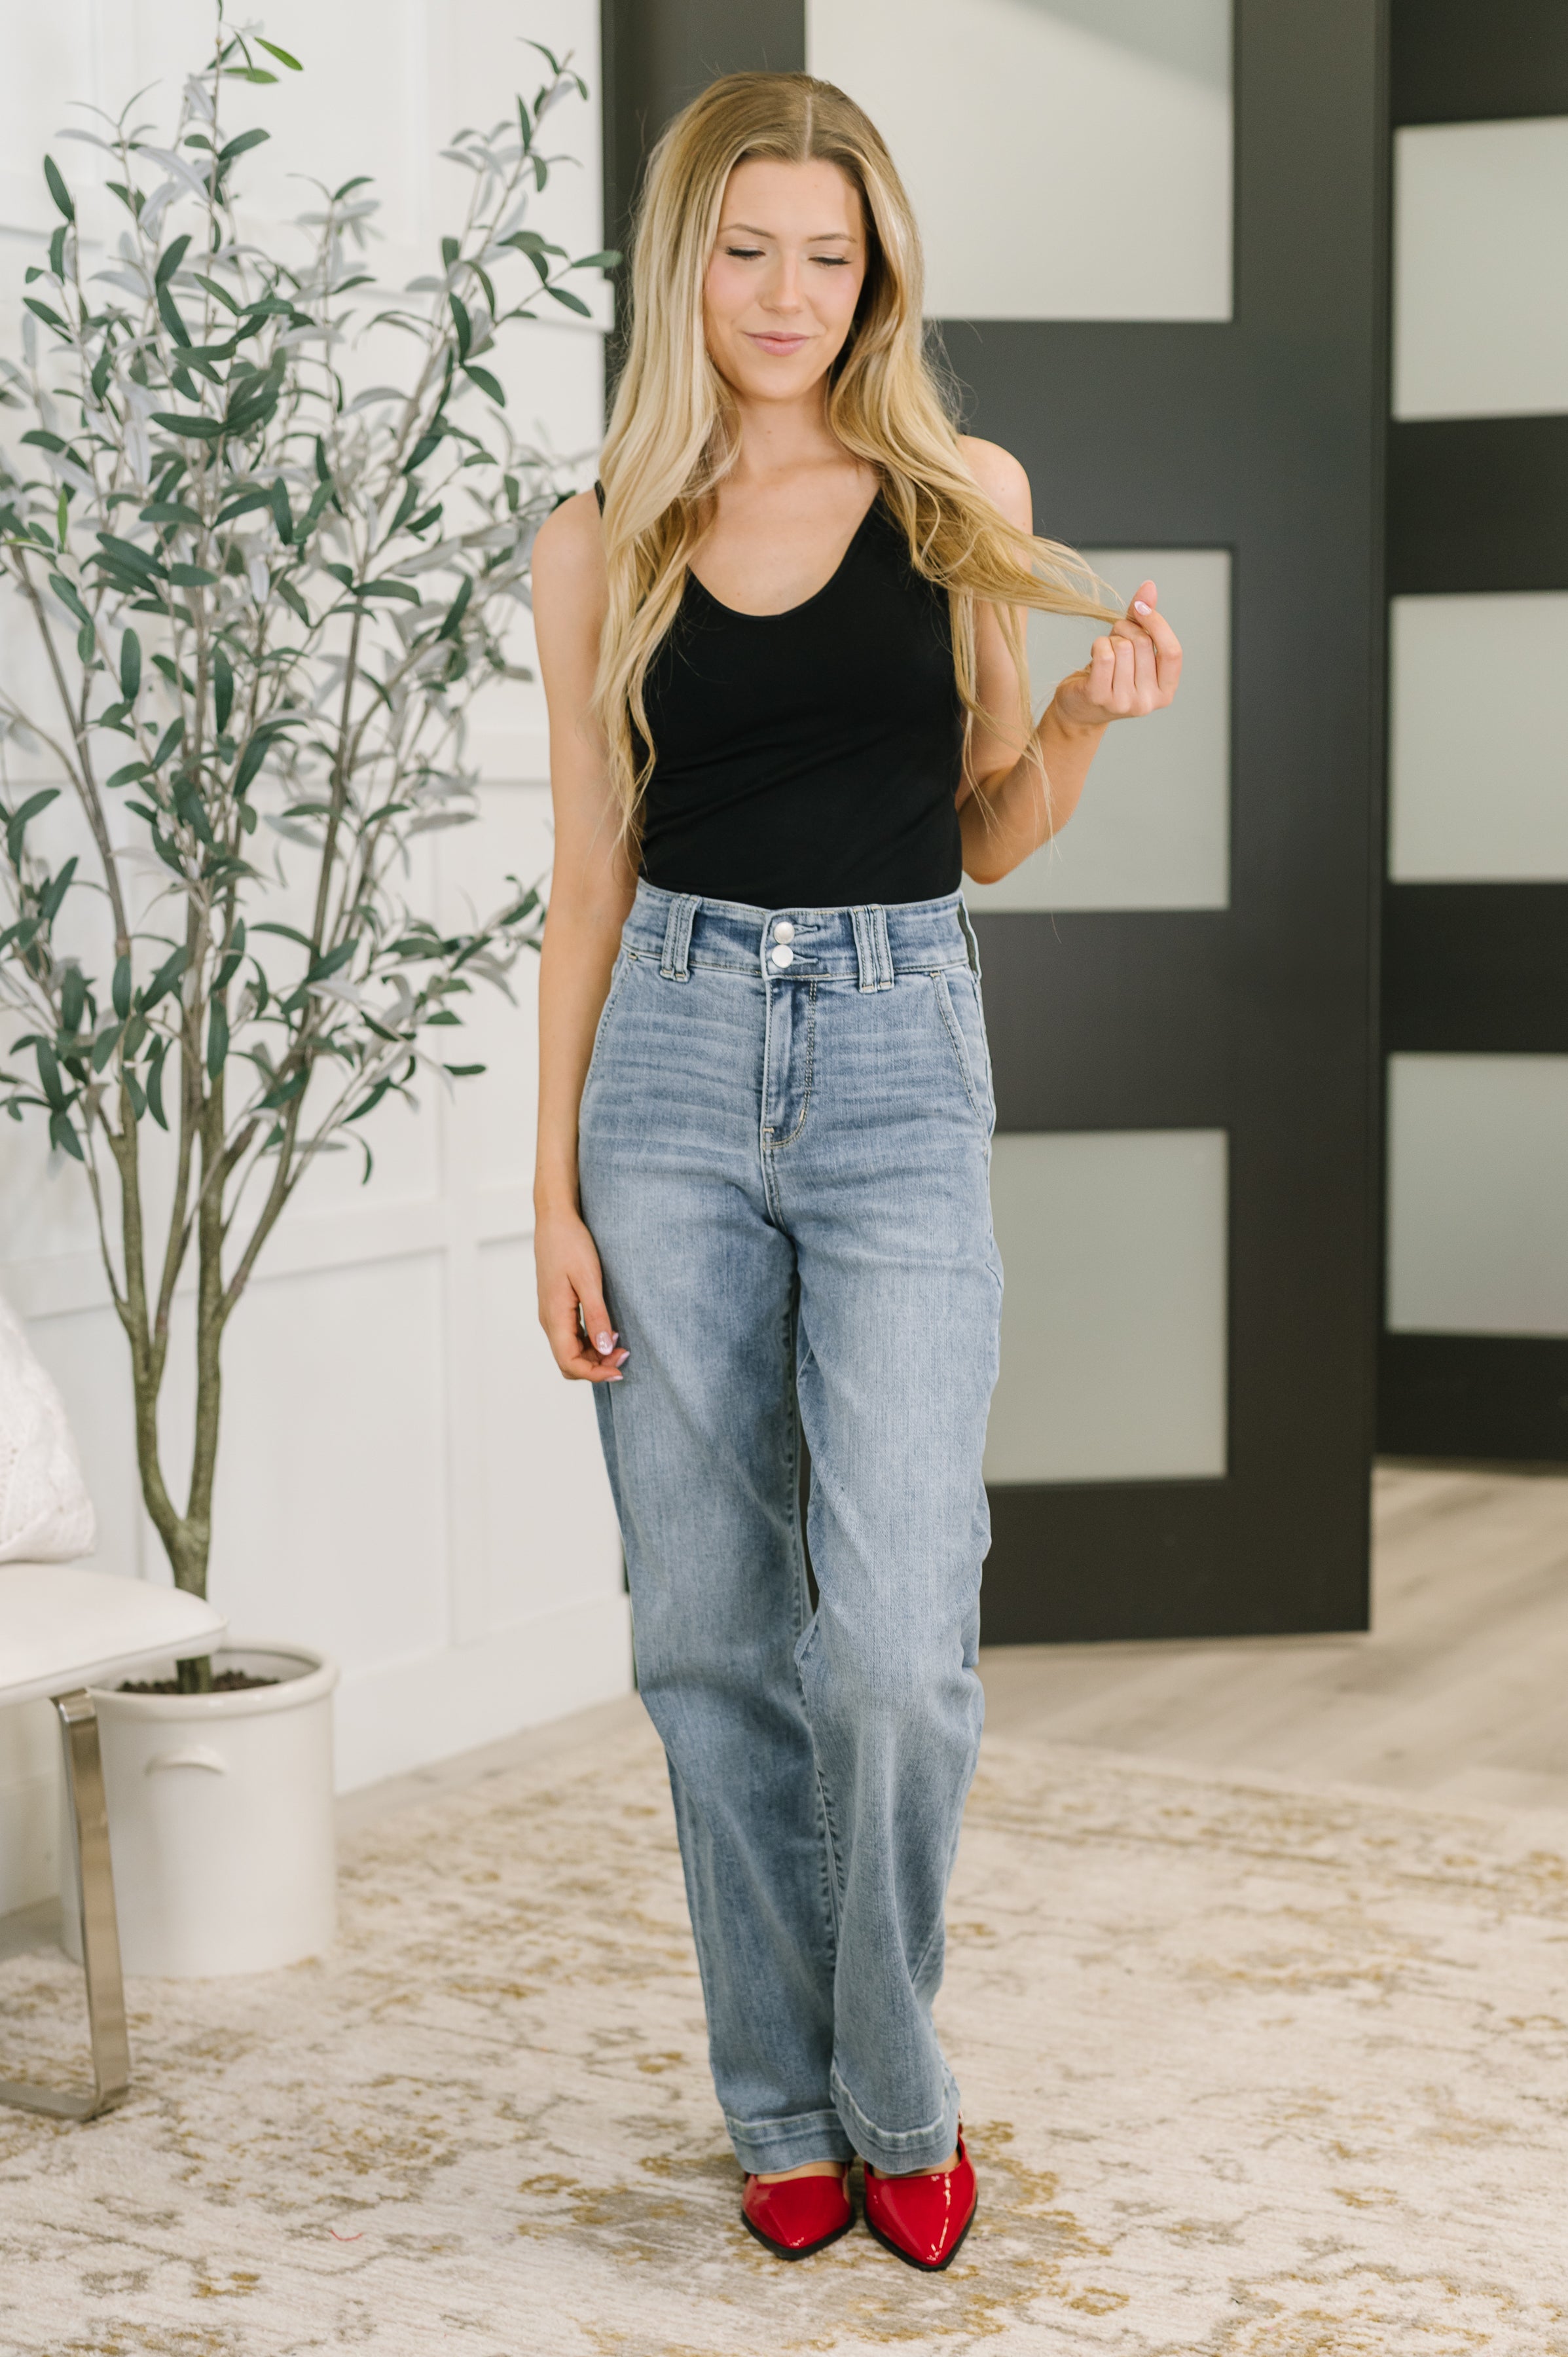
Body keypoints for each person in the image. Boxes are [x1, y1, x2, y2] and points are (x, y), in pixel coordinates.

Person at [530, 70, 1180, 2272]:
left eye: (829, 252)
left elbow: (984, 826)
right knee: (707, 1631)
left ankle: (894, 2080)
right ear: (684, 264)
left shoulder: (956, 496)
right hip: (666, 1070)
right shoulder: (598, 536)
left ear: (876, 271)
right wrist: (548, 1197)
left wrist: (1075, 724)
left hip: (900, 1056)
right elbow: (588, 881)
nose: (787, 292)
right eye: (747, 249)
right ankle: (779, 2103)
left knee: (895, 1637)